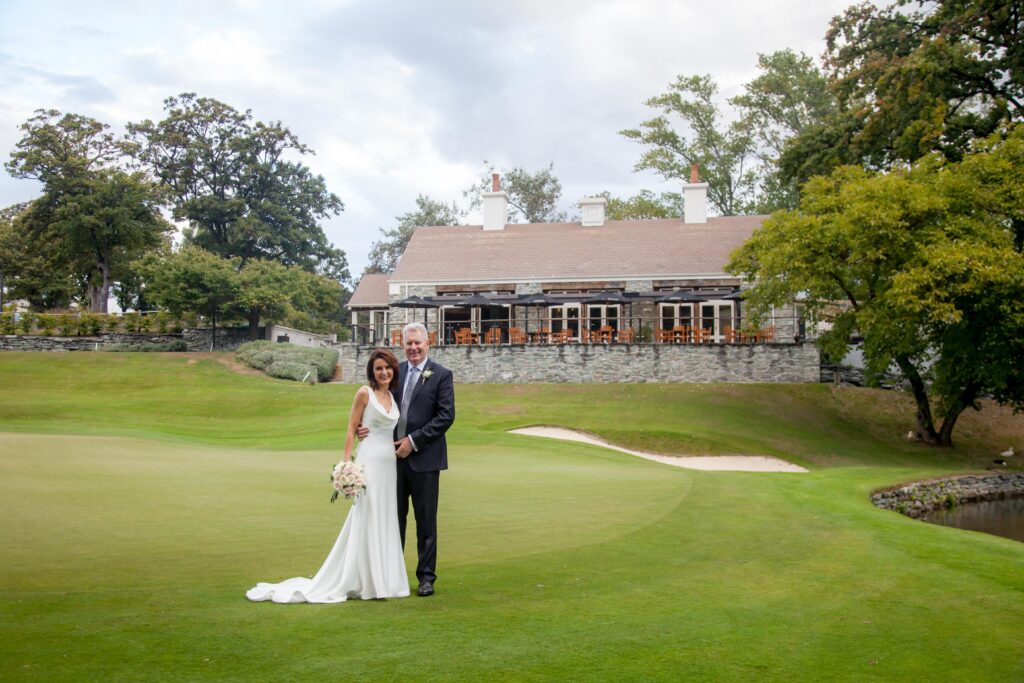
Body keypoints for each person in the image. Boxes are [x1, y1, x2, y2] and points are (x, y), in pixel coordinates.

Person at [245, 349, 409, 603]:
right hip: (369, 463)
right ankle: (365, 581)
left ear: (393, 370)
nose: (384, 372)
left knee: (385, 516)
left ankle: (384, 580)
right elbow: (351, 427)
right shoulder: (364, 393)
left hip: (389, 465)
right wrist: (347, 466)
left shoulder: (391, 395)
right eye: (378, 368)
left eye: (387, 367)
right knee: (367, 515)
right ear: (372, 372)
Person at [361, 321, 454, 597]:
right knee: (394, 518)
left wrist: (412, 442)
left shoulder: (441, 375)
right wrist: (363, 426)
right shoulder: (395, 373)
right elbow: (376, 404)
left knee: (426, 521)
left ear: (428, 343)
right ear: (403, 345)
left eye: (418, 343)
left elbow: (445, 416)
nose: (413, 347)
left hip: (425, 460)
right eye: (408, 343)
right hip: (392, 462)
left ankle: (426, 577)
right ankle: (393, 574)